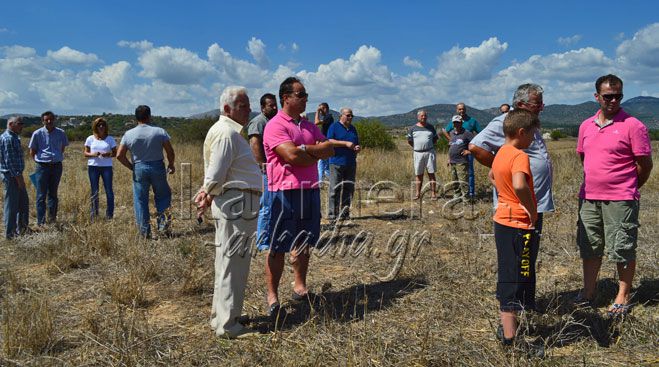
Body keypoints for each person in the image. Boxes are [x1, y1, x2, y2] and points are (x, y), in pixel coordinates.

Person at [576, 74, 653, 316]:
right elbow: (583, 158)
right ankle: (589, 292)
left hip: (621, 198)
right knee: (590, 246)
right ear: (597, 96)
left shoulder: (634, 126)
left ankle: (623, 295)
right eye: (608, 96)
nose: (613, 100)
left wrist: (627, 186)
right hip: (589, 197)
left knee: (622, 247)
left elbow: (645, 164)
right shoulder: (586, 126)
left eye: (618, 95)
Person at [261, 77, 334, 320]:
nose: (305, 99)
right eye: (301, 94)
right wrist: (311, 152)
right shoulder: (275, 125)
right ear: (286, 98)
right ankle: (273, 297)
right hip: (284, 192)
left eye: (305, 95)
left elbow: (329, 148)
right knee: (278, 246)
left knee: (303, 242)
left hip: (309, 189)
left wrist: (305, 150)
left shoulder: (307, 125)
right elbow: (291, 156)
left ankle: (299, 287)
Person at [194, 86, 262, 339]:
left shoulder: (227, 132)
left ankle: (222, 316)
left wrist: (208, 192)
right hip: (237, 204)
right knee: (234, 264)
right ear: (227, 109)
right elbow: (216, 172)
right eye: (243, 105)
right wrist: (206, 191)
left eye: (247, 105)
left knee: (227, 263)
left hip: (235, 203)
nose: (248, 110)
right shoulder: (226, 134)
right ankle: (228, 325)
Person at [469, 83, 554, 235]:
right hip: (518, 204)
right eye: (538, 104)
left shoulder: (529, 122)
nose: (541, 108)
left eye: (542, 103)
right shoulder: (505, 122)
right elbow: (476, 146)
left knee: (528, 252)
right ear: (521, 104)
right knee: (520, 252)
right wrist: (502, 168)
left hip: (531, 201)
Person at [489, 109, 542, 353]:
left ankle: (509, 327)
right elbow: (520, 184)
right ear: (521, 132)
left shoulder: (501, 151)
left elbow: (492, 175)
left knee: (509, 272)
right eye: (532, 134)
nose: (533, 138)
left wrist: (504, 194)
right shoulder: (519, 155)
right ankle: (512, 340)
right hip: (518, 225)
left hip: (502, 221)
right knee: (514, 278)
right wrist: (531, 210)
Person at [116, 105, 175, 238]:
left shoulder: (129, 134)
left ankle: (144, 232)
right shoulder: (159, 131)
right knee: (163, 196)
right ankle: (163, 229)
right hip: (157, 167)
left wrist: (132, 167)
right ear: (149, 116)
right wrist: (171, 164)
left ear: (136, 117)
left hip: (139, 167)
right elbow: (170, 151)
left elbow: (119, 155)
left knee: (141, 200)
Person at [246, 93, 278, 249]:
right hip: (265, 170)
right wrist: (262, 165)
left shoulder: (273, 121)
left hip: (275, 169)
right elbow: (254, 143)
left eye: (275, 104)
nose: (274, 107)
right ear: (262, 107)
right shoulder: (259, 122)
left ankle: (271, 235)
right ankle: (262, 241)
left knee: (273, 203)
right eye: (270, 105)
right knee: (266, 204)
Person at [29, 111, 69, 226]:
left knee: (53, 194)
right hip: (42, 167)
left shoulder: (61, 133)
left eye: (51, 119)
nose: (49, 121)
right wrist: (40, 162)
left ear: (54, 119)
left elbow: (62, 148)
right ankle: (41, 222)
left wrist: (55, 157)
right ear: (43, 121)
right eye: (46, 120)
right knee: (41, 195)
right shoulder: (37, 133)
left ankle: (52, 220)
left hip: (56, 166)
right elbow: (32, 151)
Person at [327, 108, 361, 221]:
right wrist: (345, 143)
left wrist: (356, 148)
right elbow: (329, 141)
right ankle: (332, 215)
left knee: (348, 188)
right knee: (335, 189)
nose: (350, 117)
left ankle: (344, 213)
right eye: (348, 115)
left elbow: (356, 143)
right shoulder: (334, 126)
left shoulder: (352, 129)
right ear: (341, 116)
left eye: (352, 116)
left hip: (350, 162)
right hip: (336, 162)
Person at [443, 103, 480, 198]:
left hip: (467, 151)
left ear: (465, 109)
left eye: (463, 109)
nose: (461, 111)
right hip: (455, 155)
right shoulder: (454, 122)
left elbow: (480, 133)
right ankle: (459, 195)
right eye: (459, 109)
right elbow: (445, 131)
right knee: (456, 176)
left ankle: (470, 194)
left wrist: (471, 149)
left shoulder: (472, 121)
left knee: (469, 173)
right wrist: (451, 140)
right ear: (457, 110)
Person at [0, 116, 29, 238]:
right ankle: (10, 234)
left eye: (22, 123)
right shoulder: (8, 139)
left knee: (22, 203)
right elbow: (10, 161)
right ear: (11, 124)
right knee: (11, 205)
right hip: (12, 176)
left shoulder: (13, 137)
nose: (22, 126)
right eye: (19, 123)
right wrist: (19, 179)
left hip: (14, 175)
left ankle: (21, 230)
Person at [83, 117, 117, 220]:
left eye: (103, 125)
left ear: (105, 126)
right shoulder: (90, 138)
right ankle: (94, 215)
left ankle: (109, 215)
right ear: (95, 126)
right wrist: (93, 154)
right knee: (94, 191)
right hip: (93, 167)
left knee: (109, 191)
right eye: (99, 125)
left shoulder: (110, 139)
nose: (101, 127)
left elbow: (115, 153)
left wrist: (108, 154)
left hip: (106, 167)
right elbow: (85, 153)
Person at [407, 110, 438, 200]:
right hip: (417, 153)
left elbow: (435, 140)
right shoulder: (413, 128)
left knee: (431, 173)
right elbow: (409, 141)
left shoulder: (431, 127)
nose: (423, 117)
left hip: (429, 152)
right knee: (418, 174)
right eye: (422, 116)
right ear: (418, 117)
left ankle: (433, 194)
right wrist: (418, 147)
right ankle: (417, 194)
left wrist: (427, 146)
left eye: (425, 116)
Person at [447, 115, 473, 199]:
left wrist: (469, 151)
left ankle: (466, 199)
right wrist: (449, 158)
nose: (456, 124)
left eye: (458, 122)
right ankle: (457, 196)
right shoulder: (451, 133)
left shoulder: (467, 133)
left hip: (461, 161)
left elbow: (475, 144)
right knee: (454, 181)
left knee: (463, 181)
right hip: (452, 161)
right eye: (454, 122)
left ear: (461, 123)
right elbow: (450, 146)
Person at [314, 102, 334, 181]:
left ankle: (320, 182)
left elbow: (316, 122)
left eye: (321, 109)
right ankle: (333, 181)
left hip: (325, 143)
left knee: (321, 164)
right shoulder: (328, 118)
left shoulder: (328, 117)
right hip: (326, 142)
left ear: (325, 108)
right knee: (326, 166)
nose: (320, 112)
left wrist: (317, 111)